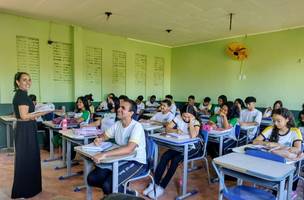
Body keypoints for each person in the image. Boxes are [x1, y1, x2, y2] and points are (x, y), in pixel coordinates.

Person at [87, 99, 147, 195]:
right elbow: (105, 135)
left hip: (135, 161)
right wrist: (99, 139)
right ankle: (123, 192)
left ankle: (129, 195)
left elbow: (129, 149)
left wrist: (104, 154)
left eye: (123, 108)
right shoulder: (118, 124)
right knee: (92, 179)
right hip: (120, 159)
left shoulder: (137, 127)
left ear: (131, 113)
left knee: (108, 185)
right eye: (119, 106)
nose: (119, 109)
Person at [144, 105, 202, 198]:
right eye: (184, 116)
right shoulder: (178, 117)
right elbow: (167, 128)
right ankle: (154, 184)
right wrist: (175, 131)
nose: (186, 118)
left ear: (193, 115)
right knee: (164, 157)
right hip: (180, 146)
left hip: (193, 148)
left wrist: (191, 121)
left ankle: (161, 187)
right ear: (181, 114)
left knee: (175, 161)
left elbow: (193, 135)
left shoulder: (196, 122)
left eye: (189, 116)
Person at [11, 72, 50, 199]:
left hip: (26, 129)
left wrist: (38, 111)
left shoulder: (23, 94)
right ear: (18, 82)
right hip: (25, 130)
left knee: (30, 158)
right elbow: (24, 116)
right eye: (24, 80)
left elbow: (25, 113)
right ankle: (24, 190)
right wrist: (42, 112)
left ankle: (30, 189)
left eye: (29, 80)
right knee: (26, 159)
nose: (27, 82)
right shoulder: (21, 95)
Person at [253, 108, 302, 197]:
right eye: (274, 120)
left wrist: (280, 146)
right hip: (272, 160)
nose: (275, 123)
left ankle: (279, 191)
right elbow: (255, 141)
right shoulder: (270, 128)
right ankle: (273, 190)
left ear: (287, 119)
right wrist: (268, 143)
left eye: (279, 121)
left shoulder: (295, 131)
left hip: (287, 163)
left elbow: (297, 149)